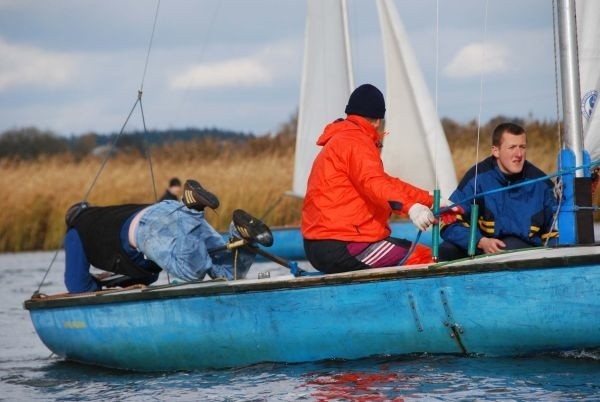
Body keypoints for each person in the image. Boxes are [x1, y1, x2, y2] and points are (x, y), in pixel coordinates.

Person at [301, 83, 461, 274]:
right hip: (344, 243)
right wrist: (411, 208)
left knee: (410, 253)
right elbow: (374, 184)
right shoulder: (356, 142)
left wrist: (431, 201)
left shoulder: (342, 139)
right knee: (426, 259)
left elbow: (386, 183)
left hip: (322, 244)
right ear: (378, 120)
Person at [63, 179, 272, 293]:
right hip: (169, 209)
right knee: (226, 272)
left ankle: (193, 209)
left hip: (147, 228)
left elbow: (77, 285)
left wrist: (100, 286)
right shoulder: (103, 215)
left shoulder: (76, 229)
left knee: (191, 272)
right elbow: (149, 274)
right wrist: (117, 282)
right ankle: (242, 234)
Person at [438, 122, 558, 261]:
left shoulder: (541, 184)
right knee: (445, 251)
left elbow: (555, 230)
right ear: (496, 151)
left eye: (522, 147)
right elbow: (448, 222)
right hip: (479, 246)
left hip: (519, 252)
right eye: (512, 147)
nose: (519, 154)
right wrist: (480, 241)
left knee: (507, 249)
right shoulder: (477, 179)